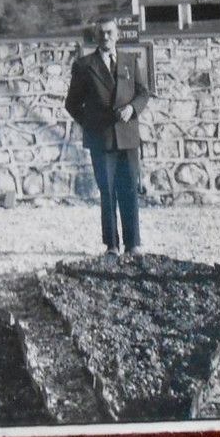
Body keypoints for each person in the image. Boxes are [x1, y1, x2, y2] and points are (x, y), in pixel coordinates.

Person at [65, 16, 150, 257]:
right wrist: (91, 124)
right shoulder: (84, 65)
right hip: (101, 140)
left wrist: (132, 108)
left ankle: (133, 244)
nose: (105, 37)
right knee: (108, 190)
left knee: (129, 189)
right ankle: (111, 245)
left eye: (110, 32)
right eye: (101, 33)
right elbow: (72, 103)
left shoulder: (130, 61)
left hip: (128, 137)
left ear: (118, 34)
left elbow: (143, 93)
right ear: (96, 35)